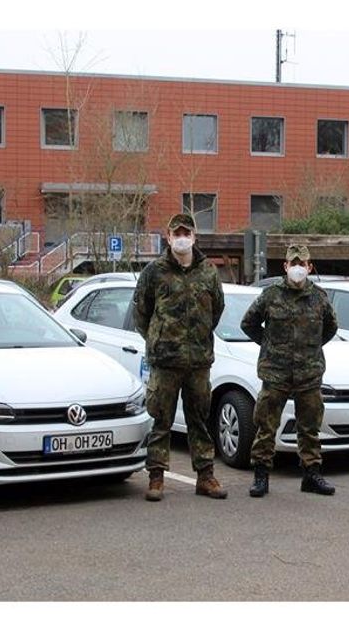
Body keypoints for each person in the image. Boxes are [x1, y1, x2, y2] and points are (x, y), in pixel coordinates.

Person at [133, 213, 226, 501]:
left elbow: (217, 310)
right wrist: (157, 339)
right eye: (177, 233)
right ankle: (157, 478)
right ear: (169, 237)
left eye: (187, 232)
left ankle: (205, 477)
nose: (182, 237)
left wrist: (197, 337)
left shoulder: (209, 272)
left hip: (198, 361)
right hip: (165, 361)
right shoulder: (154, 271)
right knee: (161, 419)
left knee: (199, 419)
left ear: (194, 237)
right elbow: (141, 312)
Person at [240, 245, 338, 497]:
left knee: (310, 428)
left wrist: (311, 349)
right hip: (276, 373)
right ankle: (261, 476)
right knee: (266, 426)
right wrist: (270, 345)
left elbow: (330, 327)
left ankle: (311, 474)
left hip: (309, 373)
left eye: (301, 263)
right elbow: (248, 323)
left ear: (309, 267)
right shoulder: (271, 295)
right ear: (285, 266)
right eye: (292, 263)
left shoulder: (319, 296)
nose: (297, 268)